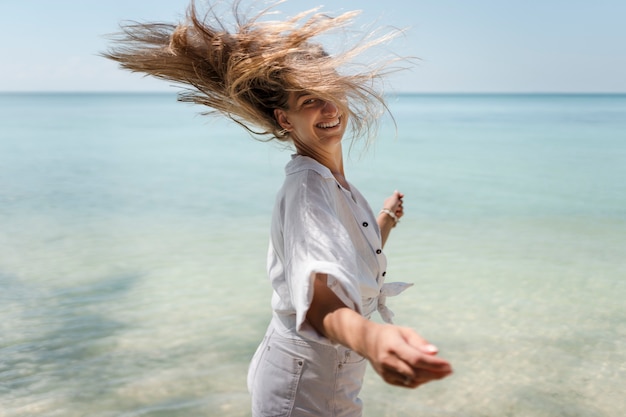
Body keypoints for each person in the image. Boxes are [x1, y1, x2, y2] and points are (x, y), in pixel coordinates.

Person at [104, 1, 452, 415]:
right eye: (308, 100)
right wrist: (374, 340)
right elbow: (321, 304)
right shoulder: (308, 189)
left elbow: (344, 255)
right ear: (285, 120)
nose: (327, 108)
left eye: (329, 91)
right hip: (300, 389)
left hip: (323, 378)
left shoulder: (334, 183)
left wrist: (384, 220)